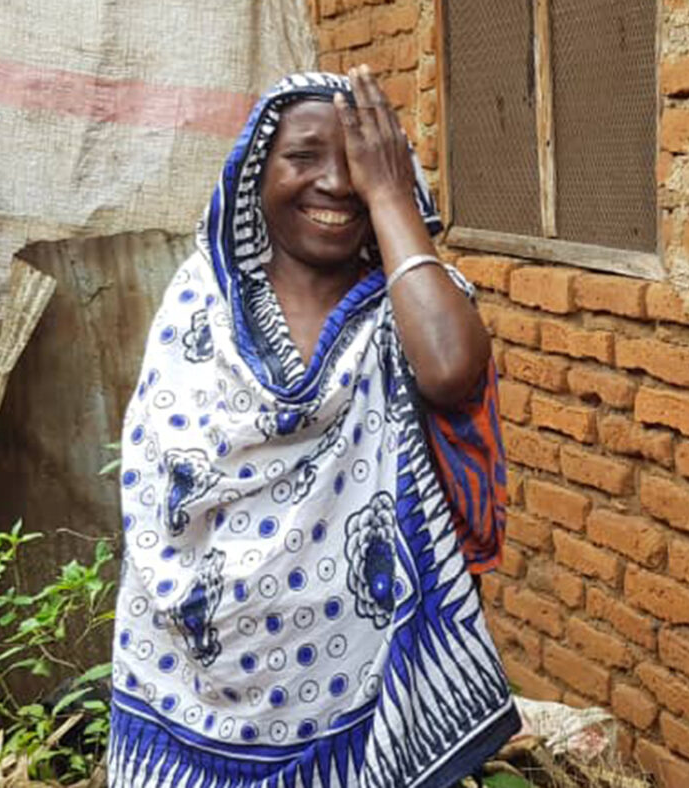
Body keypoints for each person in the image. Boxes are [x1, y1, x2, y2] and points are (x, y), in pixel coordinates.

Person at [107, 68, 519, 788]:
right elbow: (159, 488)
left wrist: (391, 197)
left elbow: (452, 369)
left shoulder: (410, 305)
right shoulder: (200, 305)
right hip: (190, 684)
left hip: (362, 689)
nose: (335, 183)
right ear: (254, 174)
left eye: (359, 163)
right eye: (303, 157)